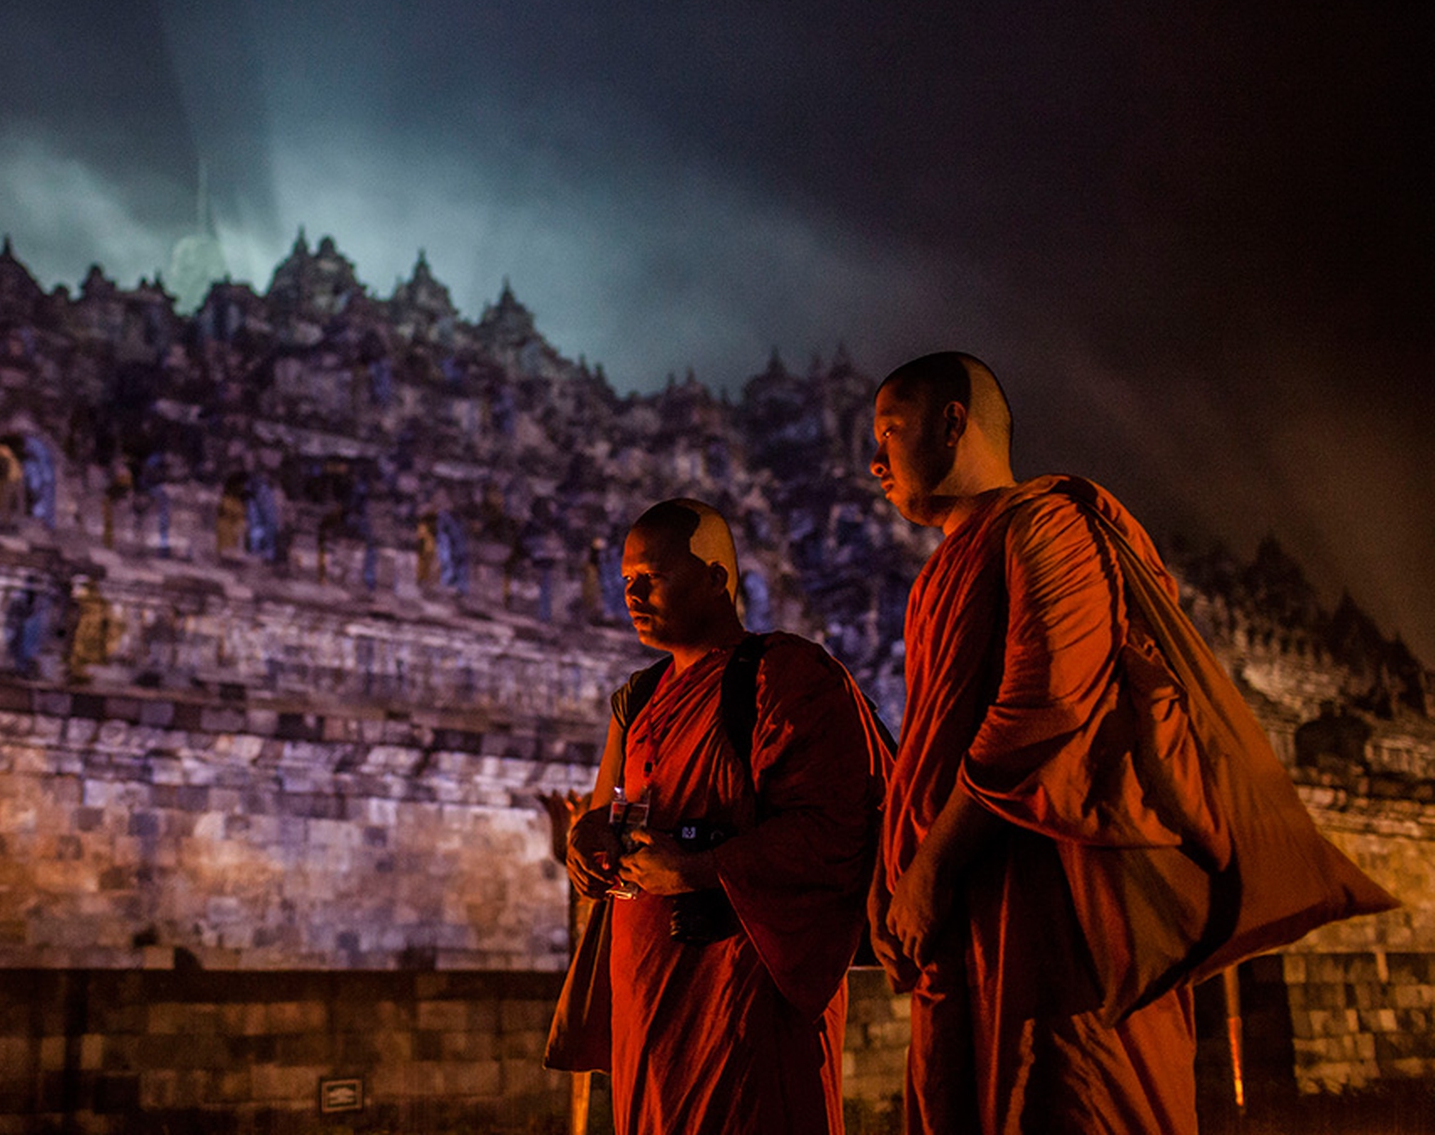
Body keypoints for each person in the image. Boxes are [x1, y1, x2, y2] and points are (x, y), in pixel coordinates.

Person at [866, 351, 1395, 1135]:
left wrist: (930, 865)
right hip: (965, 919)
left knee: (1067, 1099)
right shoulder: (938, 574)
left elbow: (1046, 705)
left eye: (890, 431)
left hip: (1057, 905)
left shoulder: (1049, 522)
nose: (875, 460)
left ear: (953, 423)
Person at [557, 498, 890, 1135]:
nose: (632, 594)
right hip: (647, 985)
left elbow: (836, 831)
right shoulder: (640, 697)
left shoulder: (785, 678)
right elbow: (609, 813)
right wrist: (584, 842)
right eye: (625, 579)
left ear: (716, 579)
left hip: (743, 981)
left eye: (652, 577)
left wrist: (700, 868)